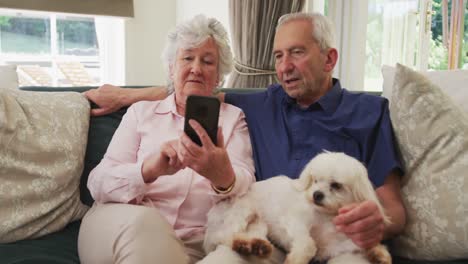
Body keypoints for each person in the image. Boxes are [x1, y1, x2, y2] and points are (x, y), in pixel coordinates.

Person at [85, 12, 407, 263]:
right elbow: (188, 91)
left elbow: (392, 205)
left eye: (296, 53)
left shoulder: (368, 111)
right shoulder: (264, 102)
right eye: (279, 56)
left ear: (329, 59)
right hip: (266, 234)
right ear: (171, 67)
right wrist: (128, 97)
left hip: (331, 237)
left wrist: (379, 220)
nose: (285, 67)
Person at [77, 15, 255, 264]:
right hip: (122, 224)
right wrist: (148, 170)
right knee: (148, 223)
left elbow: (245, 181)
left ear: (218, 77)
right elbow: (98, 183)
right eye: (187, 58)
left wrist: (222, 175)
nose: (196, 68)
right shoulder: (141, 113)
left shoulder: (233, 119)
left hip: (193, 243)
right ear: (171, 68)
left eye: (207, 61)